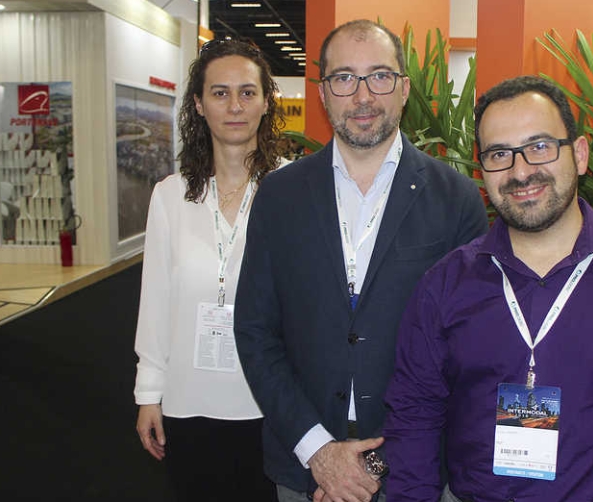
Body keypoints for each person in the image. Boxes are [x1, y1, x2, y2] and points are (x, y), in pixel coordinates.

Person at [383, 76, 593, 502]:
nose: (521, 171)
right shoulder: (445, 287)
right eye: (499, 154)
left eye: (539, 146)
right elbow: (414, 422)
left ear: (579, 154)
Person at [234, 19, 488, 502]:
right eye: (344, 78)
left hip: (414, 468)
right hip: (304, 466)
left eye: (380, 76)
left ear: (404, 89)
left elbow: (466, 350)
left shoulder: (455, 199)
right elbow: (255, 331)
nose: (363, 95)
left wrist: (371, 464)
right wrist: (319, 451)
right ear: (323, 93)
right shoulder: (279, 197)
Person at [133, 39, 285, 501]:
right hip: (190, 400)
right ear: (198, 104)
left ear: (266, 102)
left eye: (247, 92)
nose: (234, 106)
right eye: (220, 93)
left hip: (271, 402)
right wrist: (148, 393)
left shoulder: (294, 189)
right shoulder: (170, 195)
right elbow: (156, 301)